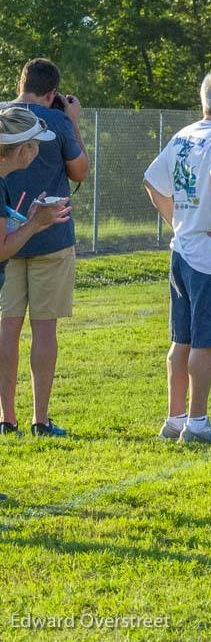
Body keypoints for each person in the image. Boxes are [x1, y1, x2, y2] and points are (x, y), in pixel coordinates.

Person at [143, 70, 211, 446]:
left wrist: (176, 220)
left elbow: (153, 181)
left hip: (184, 251)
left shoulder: (184, 135)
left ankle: (175, 418)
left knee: (182, 339)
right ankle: (198, 422)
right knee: (205, 341)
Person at [0, 58, 90, 439]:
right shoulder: (55, 121)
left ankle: (6, 418)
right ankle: (40, 418)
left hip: (7, 234)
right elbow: (80, 171)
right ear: (52, 92)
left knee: (6, 328)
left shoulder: (4, 116)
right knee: (44, 329)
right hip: (50, 235)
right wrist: (73, 121)